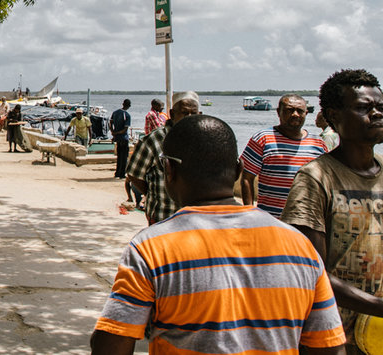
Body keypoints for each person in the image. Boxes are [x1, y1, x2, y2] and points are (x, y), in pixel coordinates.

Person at [91, 114, 346, 355]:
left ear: (169, 170)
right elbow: (328, 346)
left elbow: (112, 343)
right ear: (237, 171)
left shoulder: (151, 247)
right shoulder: (299, 246)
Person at [281, 69, 383, 349]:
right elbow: (310, 269)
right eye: (364, 108)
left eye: (380, 107)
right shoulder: (315, 178)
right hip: (334, 336)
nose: (376, 114)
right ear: (334, 116)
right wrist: (378, 305)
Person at [239, 94, 327, 219]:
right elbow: (247, 178)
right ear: (278, 112)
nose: (295, 114)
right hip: (270, 220)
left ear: (306, 113)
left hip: (306, 221)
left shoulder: (318, 143)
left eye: (299, 111)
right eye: (289, 110)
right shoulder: (263, 139)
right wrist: (250, 212)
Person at [127, 91, 199, 224]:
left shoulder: (204, 140)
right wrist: (152, 194)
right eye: (184, 113)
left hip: (194, 219)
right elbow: (134, 173)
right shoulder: (155, 140)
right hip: (162, 216)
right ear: (172, 114)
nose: (188, 117)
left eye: (193, 114)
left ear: (199, 115)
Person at [109, 99, 132, 179]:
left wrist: (113, 132)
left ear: (123, 104)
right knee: (124, 156)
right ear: (129, 106)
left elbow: (110, 123)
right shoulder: (127, 115)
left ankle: (117, 173)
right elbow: (125, 129)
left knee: (119, 156)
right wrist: (117, 133)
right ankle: (122, 173)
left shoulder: (115, 113)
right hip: (124, 138)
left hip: (117, 138)